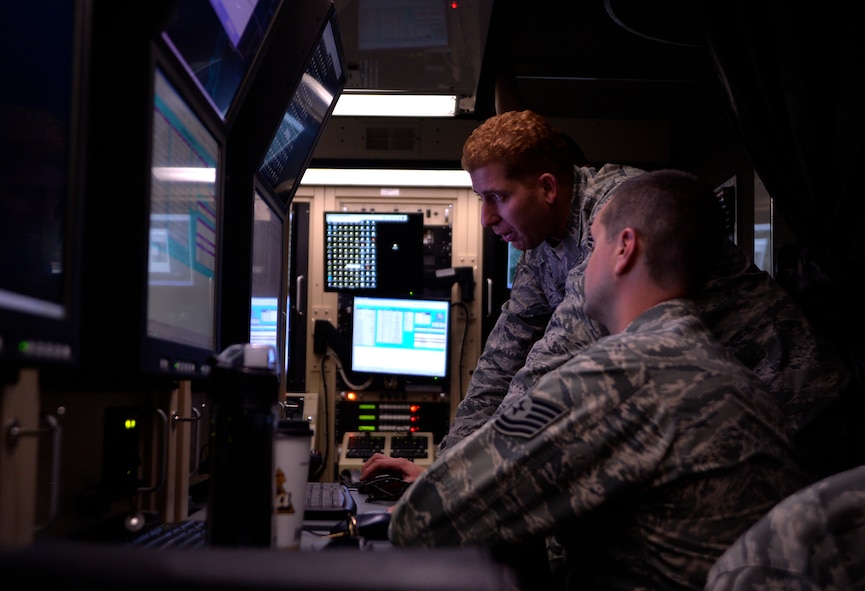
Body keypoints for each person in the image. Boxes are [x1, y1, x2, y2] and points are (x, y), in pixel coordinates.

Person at [361, 109, 850, 484]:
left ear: (547, 187)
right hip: (733, 419)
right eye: (480, 200)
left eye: (497, 197)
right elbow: (502, 361)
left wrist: (455, 482)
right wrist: (447, 464)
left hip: (803, 408)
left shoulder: (618, 211)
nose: (488, 219)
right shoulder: (543, 249)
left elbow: (552, 360)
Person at [387, 169, 807, 590]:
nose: (580, 267)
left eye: (593, 241)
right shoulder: (749, 386)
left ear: (624, 248)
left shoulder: (615, 376)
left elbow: (420, 521)